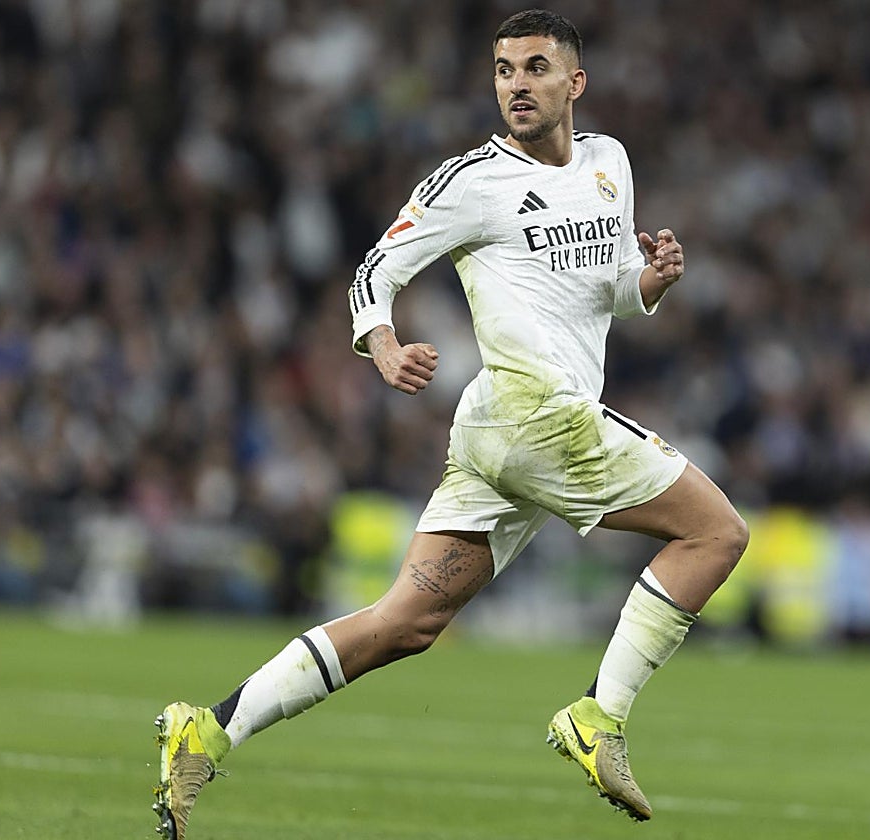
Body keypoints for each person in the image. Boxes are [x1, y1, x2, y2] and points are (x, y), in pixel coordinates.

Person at [153, 9, 748, 837]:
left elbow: (605, 290)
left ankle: (209, 729)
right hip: (535, 413)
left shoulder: (609, 163)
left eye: (535, 68)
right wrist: (383, 346)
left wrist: (650, 281)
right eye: (504, 71)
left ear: (575, 81)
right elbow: (375, 269)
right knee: (716, 534)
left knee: (406, 623)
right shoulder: (471, 182)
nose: (517, 85)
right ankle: (600, 715)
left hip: (503, 432)